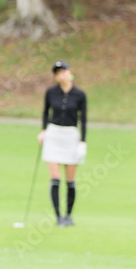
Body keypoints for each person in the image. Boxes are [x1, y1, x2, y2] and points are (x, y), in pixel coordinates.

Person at [38, 61, 87, 227]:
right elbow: (46, 113)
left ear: (70, 73)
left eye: (64, 72)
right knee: (55, 179)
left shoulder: (79, 95)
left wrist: (83, 141)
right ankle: (58, 216)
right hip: (54, 135)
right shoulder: (51, 93)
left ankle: (68, 216)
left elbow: (83, 119)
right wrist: (43, 131)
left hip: (71, 136)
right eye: (58, 73)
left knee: (70, 180)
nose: (61, 75)